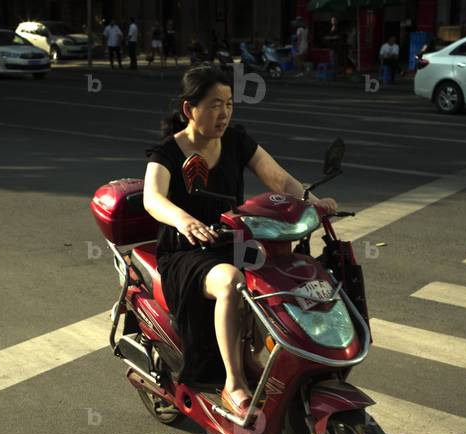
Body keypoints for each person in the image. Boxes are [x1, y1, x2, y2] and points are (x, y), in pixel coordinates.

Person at [142, 67, 337, 415]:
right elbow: (153, 199)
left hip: (232, 240)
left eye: (229, 104)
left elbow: (279, 179)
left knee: (277, 275)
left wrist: (311, 200)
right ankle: (234, 384)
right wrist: (185, 220)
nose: (224, 113)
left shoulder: (236, 141)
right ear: (190, 109)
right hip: (188, 251)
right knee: (233, 282)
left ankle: (250, 355)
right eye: (215, 105)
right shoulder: (167, 153)